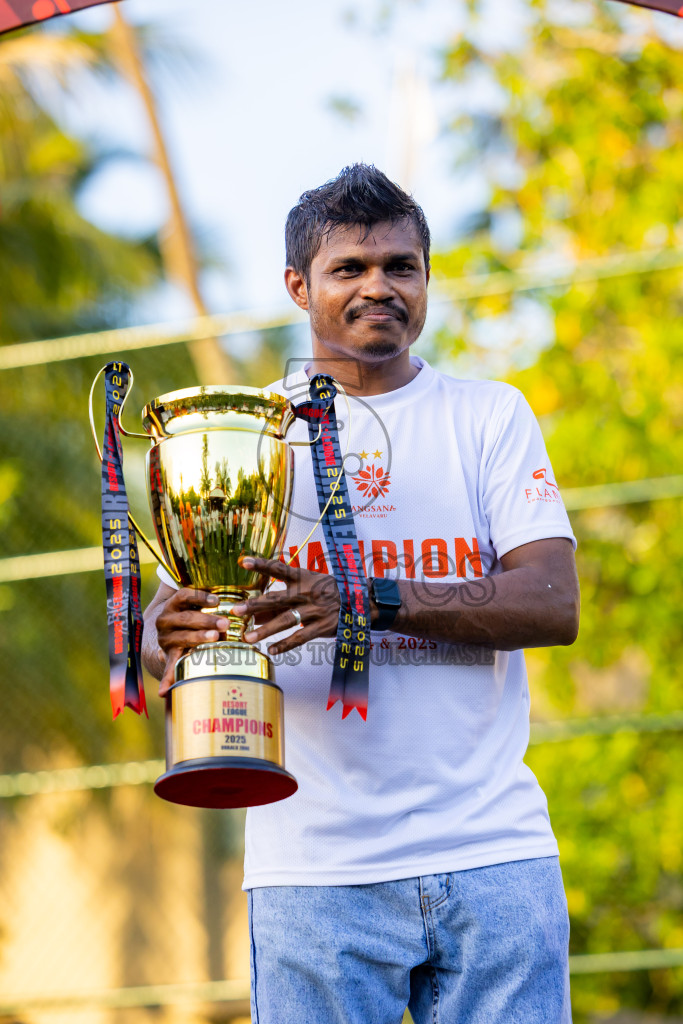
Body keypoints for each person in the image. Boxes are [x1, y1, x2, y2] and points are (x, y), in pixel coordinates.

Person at [142, 163, 580, 1024]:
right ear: (298, 285)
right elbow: (157, 632)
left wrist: (366, 598)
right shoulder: (240, 426)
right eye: (350, 268)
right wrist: (173, 636)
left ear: (425, 280)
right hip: (314, 868)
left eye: (401, 266)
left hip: (493, 850)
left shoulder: (488, 414)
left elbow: (552, 603)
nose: (379, 286)